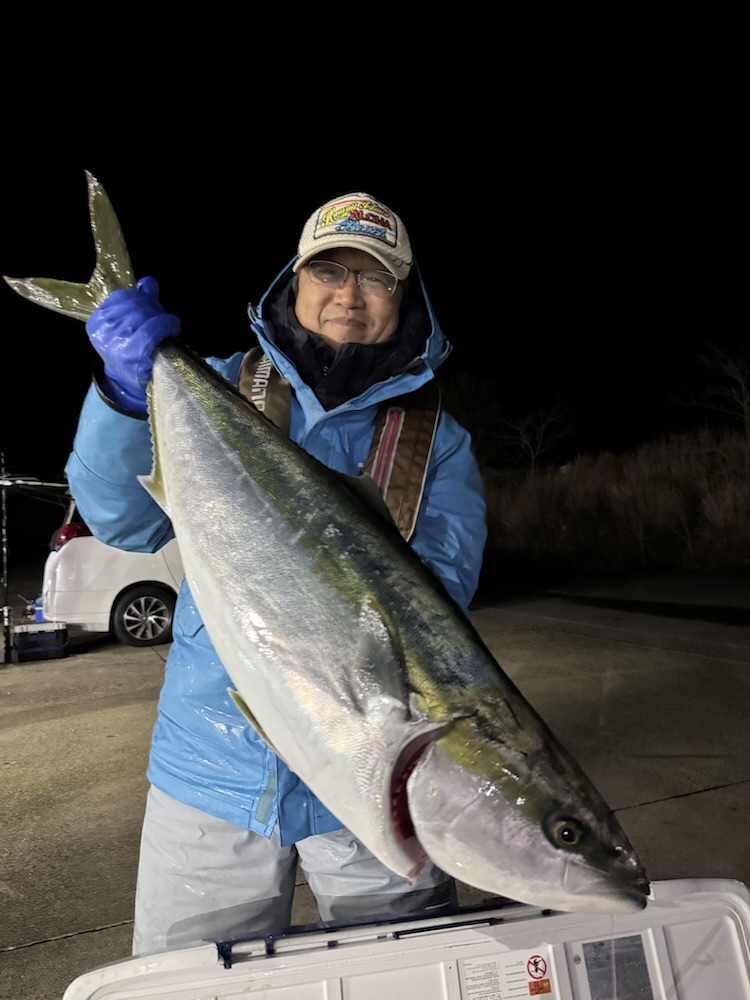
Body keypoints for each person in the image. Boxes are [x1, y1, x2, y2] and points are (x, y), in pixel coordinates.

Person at [66, 192, 488, 956]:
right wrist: (125, 396)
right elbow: (123, 520)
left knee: (401, 977)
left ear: (404, 297)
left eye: (376, 278)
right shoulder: (218, 386)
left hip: (371, 791)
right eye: (330, 271)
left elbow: (438, 615)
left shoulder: (437, 442)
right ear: (294, 281)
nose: (349, 296)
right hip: (208, 775)